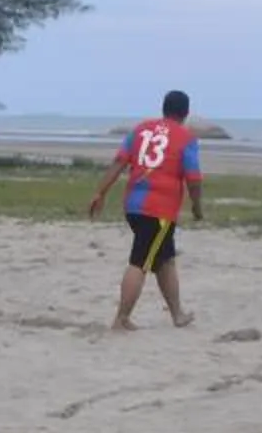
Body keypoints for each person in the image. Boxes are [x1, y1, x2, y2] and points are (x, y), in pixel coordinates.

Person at [86, 89, 202, 330]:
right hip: (158, 211)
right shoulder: (186, 138)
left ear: (164, 108)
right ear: (186, 113)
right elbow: (193, 178)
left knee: (165, 260)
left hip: (134, 206)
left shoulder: (140, 129)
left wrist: (100, 192)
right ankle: (121, 318)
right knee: (140, 261)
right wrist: (197, 207)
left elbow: (119, 162)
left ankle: (177, 314)